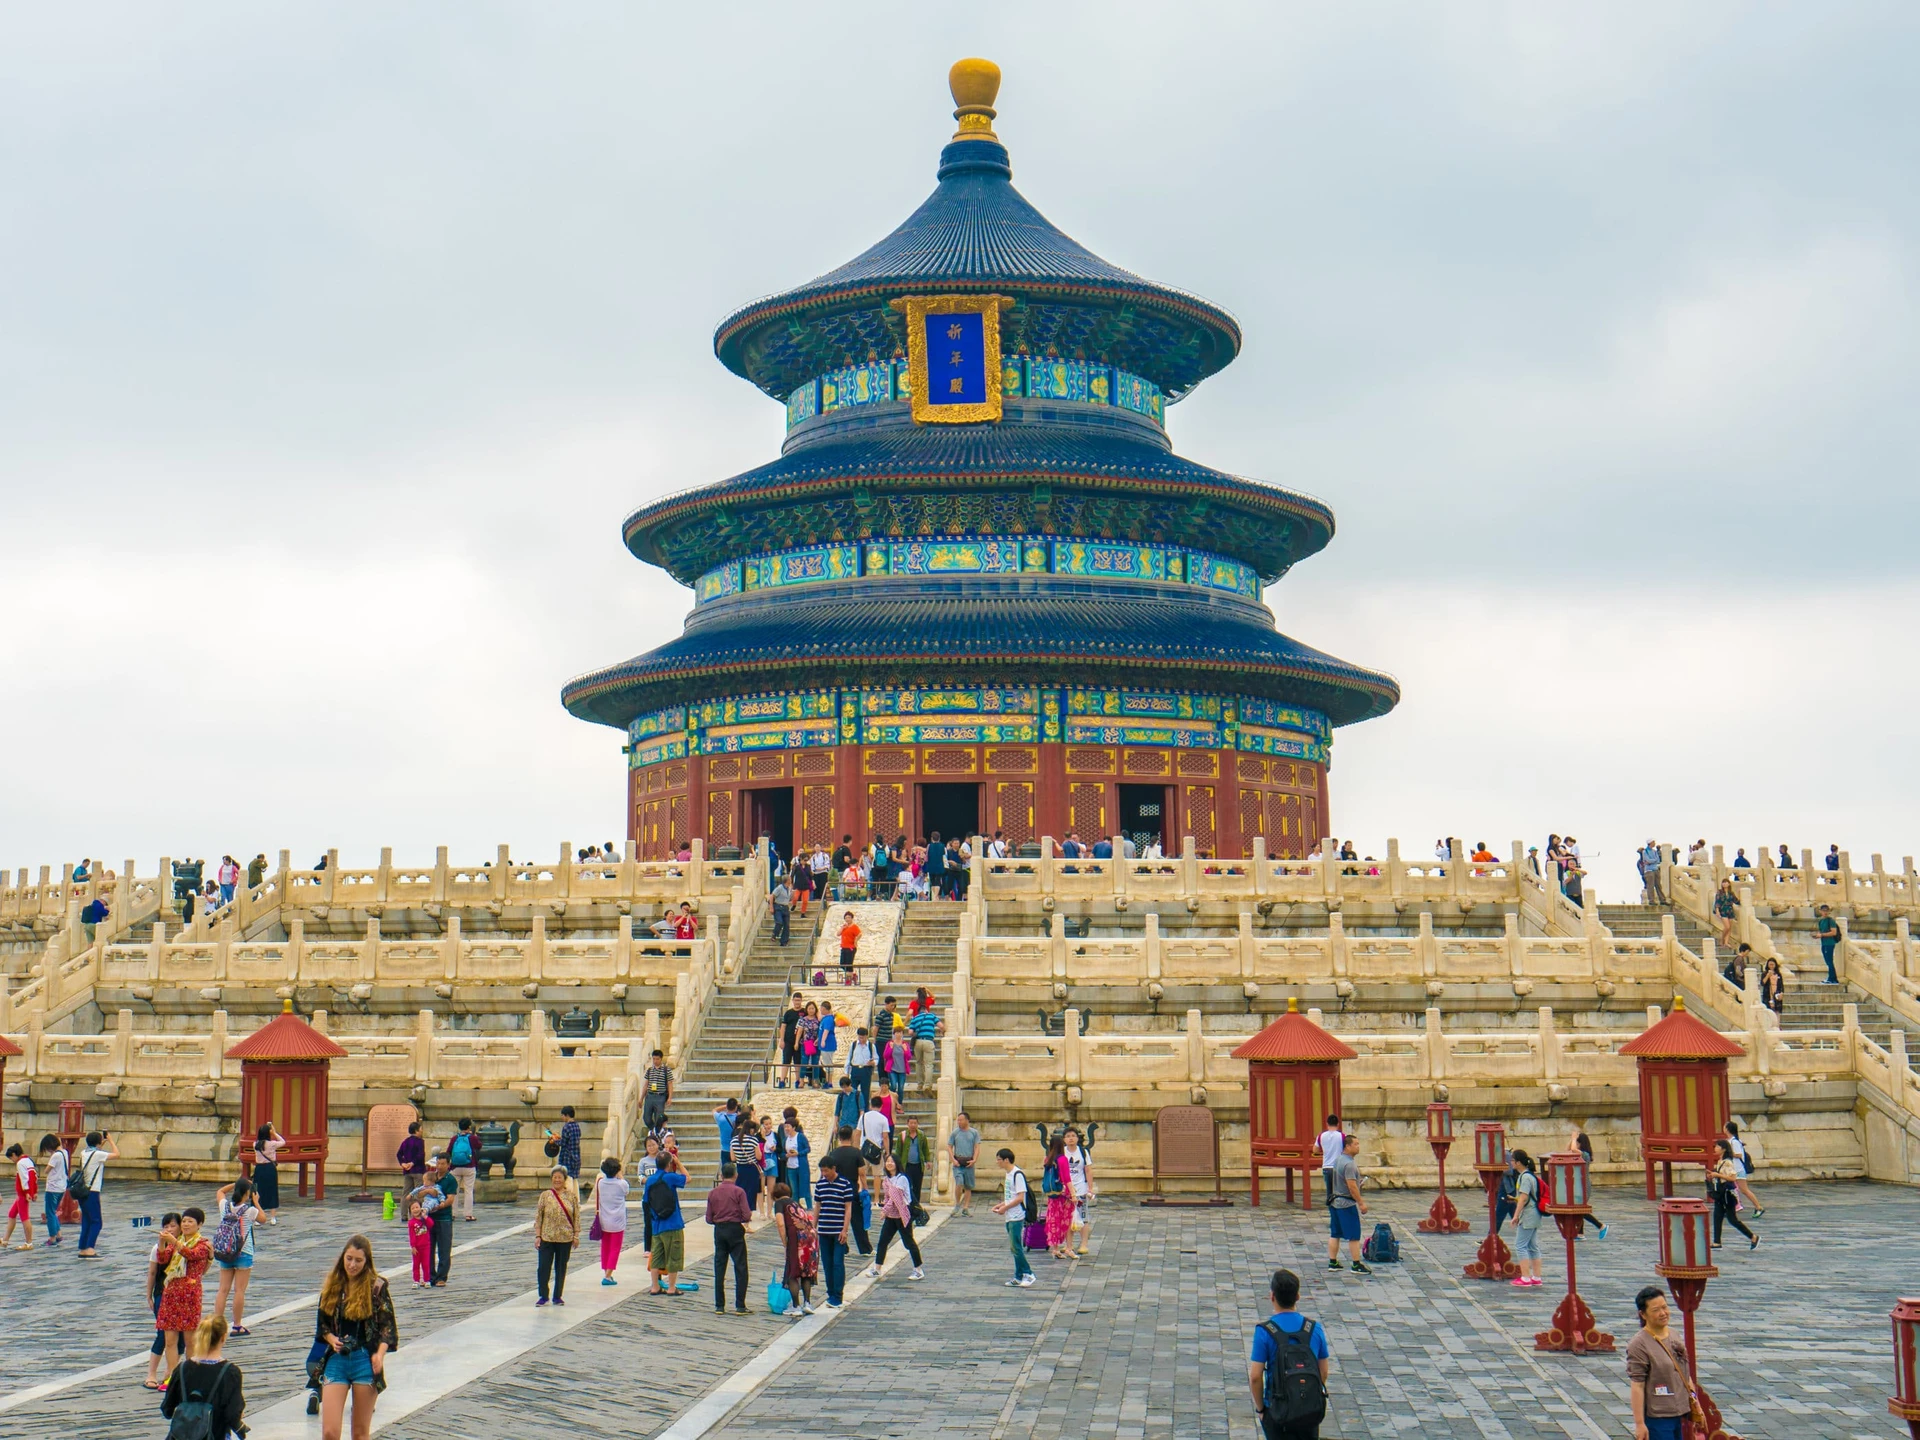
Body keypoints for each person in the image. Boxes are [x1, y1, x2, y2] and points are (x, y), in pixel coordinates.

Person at [314, 1235, 397, 1440]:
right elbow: (322, 1323)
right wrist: (330, 1337)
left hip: (364, 1358)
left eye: (358, 1260)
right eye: (349, 1258)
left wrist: (380, 1354)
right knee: (330, 1432)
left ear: (367, 1261)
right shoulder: (333, 1284)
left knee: (360, 1433)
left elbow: (388, 1327)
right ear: (343, 1257)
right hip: (337, 1358)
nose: (352, 1265)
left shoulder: (376, 1286)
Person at [1248, 1267, 1330, 1440]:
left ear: (1272, 1297)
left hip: (1277, 1410)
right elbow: (1323, 1371)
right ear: (1298, 1297)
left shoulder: (1265, 1331)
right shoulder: (1314, 1329)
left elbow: (1255, 1376)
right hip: (1309, 1410)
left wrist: (1261, 1409)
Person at [160, 1315, 247, 1440]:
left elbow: (167, 1410)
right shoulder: (230, 1372)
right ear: (223, 1337)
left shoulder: (182, 1369)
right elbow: (232, 1415)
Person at [1627, 1285, 1695, 1440]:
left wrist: (1694, 1401)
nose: (1663, 1313)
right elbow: (1637, 1385)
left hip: (1680, 1412)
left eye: (1664, 1307)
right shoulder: (1639, 1344)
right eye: (1656, 1310)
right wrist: (1639, 1424)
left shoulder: (1674, 1334)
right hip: (1658, 1416)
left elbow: (1685, 1372)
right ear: (1643, 1314)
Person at [156, 1206, 213, 1379]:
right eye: (185, 1221)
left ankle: (191, 1376)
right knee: (170, 1340)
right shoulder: (177, 1241)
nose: (186, 1224)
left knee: (190, 1341)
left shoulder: (203, 1244)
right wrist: (162, 1242)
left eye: (190, 1221)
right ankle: (172, 1376)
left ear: (200, 1224)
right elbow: (163, 1259)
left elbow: (191, 1254)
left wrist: (173, 1241)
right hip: (171, 1292)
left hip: (189, 1295)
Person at [864, 1150, 925, 1280]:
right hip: (892, 1216)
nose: (889, 1164)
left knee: (908, 1243)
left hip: (902, 1215)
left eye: (892, 1161)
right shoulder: (886, 1180)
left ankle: (918, 1269)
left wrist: (884, 1210)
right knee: (882, 1242)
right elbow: (887, 1197)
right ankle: (877, 1268)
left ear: (897, 1164)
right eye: (888, 1161)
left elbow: (896, 1198)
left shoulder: (902, 1178)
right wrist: (885, 1208)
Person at [211, 1177, 260, 1333]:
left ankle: (217, 1324)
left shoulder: (225, 1207)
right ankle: (237, 1325)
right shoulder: (250, 1211)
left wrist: (235, 1184)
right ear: (248, 1193)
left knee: (222, 1290)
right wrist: (256, 1201)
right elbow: (263, 1219)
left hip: (226, 1251)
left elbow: (220, 1192)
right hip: (244, 1252)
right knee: (239, 1290)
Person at [142, 1213, 184, 1390]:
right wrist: (149, 1295)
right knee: (163, 1334)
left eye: (172, 1226)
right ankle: (151, 1374)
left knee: (181, 1337)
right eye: (166, 1226)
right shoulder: (158, 1247)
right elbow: (152, 1273)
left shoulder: (185, 1246)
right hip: (162, 1294)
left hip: (183, 1296)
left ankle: (170, 1372)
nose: (168, 1229)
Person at [704, 1160, 752, 1313]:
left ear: (721, 1175)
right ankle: (740, 1304)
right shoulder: (739, 1192)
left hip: (719, 1230)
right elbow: (746, 1215)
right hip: (735, 1229)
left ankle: (719, 1305)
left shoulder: (713, 1193)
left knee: (719, 1266)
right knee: (741, 1267)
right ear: (736, 1175)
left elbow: (708, 1218)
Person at [404, 1155, 457, 1286]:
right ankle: (430, 1276)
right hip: (428, 1219)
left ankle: (441, 1277)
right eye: (438, 1163)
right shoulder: (430, 1176)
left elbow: (450, 1199)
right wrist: (429, 1191)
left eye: (443, 1164)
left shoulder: (450, 1180)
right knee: (429, 1248)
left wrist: (440, 1205)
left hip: (444, 1217)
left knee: (444, 1248)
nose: (439, 1166)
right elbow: (420, 1193)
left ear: (448, 1165)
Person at [534, 1165, 580, 1306]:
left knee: (561, 1267)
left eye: (560, 1177)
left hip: (565, 1237)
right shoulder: (545, 1196)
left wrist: (576, 1235)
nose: (557, 1180)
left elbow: (576, 1216)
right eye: (554, 1177)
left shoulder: (571, 1197)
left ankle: (557, 1295)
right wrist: (538, 1236)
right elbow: (539, 1216)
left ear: (565, 1180)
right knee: (543, 1267)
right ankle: (543, 1295)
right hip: (547, 1236)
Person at [1325, 1133, 1370, 1275]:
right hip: (1346, 1203)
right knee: (1354, 1235)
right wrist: (1361, 1203)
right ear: (1348, 1146)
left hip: (1334, 1201)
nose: (1358, 1147)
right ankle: (1356, 1264)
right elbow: (1351, 1186)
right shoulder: (1349, 1164)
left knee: (1335, 1233)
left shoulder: (1338, 1160)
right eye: (1356, 1144)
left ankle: (1333, 1262)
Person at [825, 1125, 873, 1256]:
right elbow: (862, 1173)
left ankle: (843, 1246)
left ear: (839, 1137)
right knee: (857, 1219)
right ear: (851, 1137)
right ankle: (865, 1248)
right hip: (851, 1188)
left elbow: (829, 1173)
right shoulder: (856, 1152)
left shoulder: (833, 1153)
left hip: (837, 1189)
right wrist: (865, 1188)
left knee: (839, 1219)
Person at [645, 1149, 688, 1295]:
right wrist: (679, 1163)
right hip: (673, 1222)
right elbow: (687, 1178)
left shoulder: (650, 1180)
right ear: (669, 1164)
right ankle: (671, 1287)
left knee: (656, 1256)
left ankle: (655, 1286)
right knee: (674, 1256)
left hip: (657, 1224)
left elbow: (646, 1201)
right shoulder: (670, 1177)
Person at [991, 1148, 1036, 1286]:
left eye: (999, 1159)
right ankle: (1018, 1276)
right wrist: (1001, 1205)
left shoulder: (1017, 1174)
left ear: (1006, 1160)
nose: (997, 1162)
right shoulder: (1008, 1174)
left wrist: (1005, 1208)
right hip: (1010, 1215)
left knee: (1016, 1247)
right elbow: (1011, 1196)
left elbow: (1020, 1198)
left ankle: (1028, 1273)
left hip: (1017, 1215)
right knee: (1014, 1247)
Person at [814, 1158, 855, 1308]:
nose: (824, 1174)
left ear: (833, 1168)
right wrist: (813, 1227)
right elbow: (817, 1206)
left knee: (838, 1263)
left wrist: (845, 1230)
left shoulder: (845, 1184)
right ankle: (831, 1293)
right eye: (822, 1171)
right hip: (824, 1230)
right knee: (827, 1263)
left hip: (838, 1231)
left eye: (826, 1170)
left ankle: (838, 1295)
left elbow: (848, 1208)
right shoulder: (820, 1185)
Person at [774, 1180, 818, 1316]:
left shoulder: (779, 1204)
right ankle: (807, 1303)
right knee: (806, 1270)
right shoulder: (796, 1203)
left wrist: (784, 1242)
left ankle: (796, 1305)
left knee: (793, 1271)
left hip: (796, 1238)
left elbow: (781, 1223)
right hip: (811, 1238)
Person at [71, 1127, 115, 1256]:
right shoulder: (98, 1155)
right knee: (96, 1221)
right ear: (98, 1142)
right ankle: (90, 1248)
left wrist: (102, 1143)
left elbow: (96, 1151)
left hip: (83, 1191)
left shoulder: (84, 1153)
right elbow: (117, 1154)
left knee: (86, 1219)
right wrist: (111, 1141)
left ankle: (83, 1247)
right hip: (93, 1191)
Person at [1710, 1140, 1759, 1249]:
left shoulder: (1727, 1162)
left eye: (1717, 1146)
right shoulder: (1720, 1161)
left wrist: (1717, 1175)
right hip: (1721, 1193)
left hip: (1727, 1194)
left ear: (1723, 1148)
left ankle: (1753, 1236)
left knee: (1732, 1220)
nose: (1715, 1148)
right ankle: (1717, 1241)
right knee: (1717, 1216)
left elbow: (1733, 1178)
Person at [1504, 1149, 1542, 1286]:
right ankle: (1536, 1277)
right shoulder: (1530, 1176)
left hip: (1528, 1215)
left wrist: (1515, 1215)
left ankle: (1525, 1277)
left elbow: (1524, 1198)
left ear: (1518, 1162)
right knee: (1532, 1246)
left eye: (1513, 1160)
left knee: (1520, 1246)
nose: (1511, 1163)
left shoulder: (1525, 1177)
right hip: (1534, 1214)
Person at [590, 1156, 629, 1286]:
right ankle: (608, 1275)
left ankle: (606, 1270)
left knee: (605, 1247)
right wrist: (620, 1175)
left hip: (604, 1220)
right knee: (615, 1248)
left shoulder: (600, 1183)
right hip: (618, 1221)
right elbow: (626, 1191)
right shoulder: (621, 1184)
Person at [1566, 1128, 1609, 1239]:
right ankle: (1580, 1233)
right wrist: (1572, 1139)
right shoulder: (1579, 1154)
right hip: (1578, 1185)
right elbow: (1568, 1149)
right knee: (1578, 1209)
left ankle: (1601, 1226)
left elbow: (1573, 1149)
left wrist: (1574, 1138)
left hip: (1583, 1186)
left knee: (1580, 1209)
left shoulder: (1585, 1155)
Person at [1041, 1133, 1074, 1259]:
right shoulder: (1062, 1159)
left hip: (1052, 1195)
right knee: (1067, 1221)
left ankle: (1055, 1248)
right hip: (1063, 1195)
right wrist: (1074, 1195)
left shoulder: (1047, 1159)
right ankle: (1069, 1247)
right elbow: (1067, 1179)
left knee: (1054, 1220)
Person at [1062, 1126, 1094, 1257]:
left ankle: (1084, 1244)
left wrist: (1090, 1188)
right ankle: (1069, 1244)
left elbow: (1088, 1170)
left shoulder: (1083, 1152)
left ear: (1077, 1138)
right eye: (1068, 1136)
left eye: (1073, 1136)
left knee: (1083, 1217)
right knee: (1067, 1218)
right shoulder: (1062, 1152)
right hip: (1065, 1191)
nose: (1071, 1138)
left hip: (1080, 1189)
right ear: (1064, 1139)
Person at [1722, 1121, 1764, 1215]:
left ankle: (1758, 1207)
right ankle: (1734, 1207)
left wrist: (1728, 1153)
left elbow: (1739, 1154)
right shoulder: (1730, 1140)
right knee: (1729, 1188)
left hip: (1738, 1169)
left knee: (1744, 1190)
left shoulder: (1734, 1141)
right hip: (1732, 1169)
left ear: (1727, 1129)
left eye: (1724, 1126)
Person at [858, 1091, 892, 1194]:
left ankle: (862, 1193)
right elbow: (885, 1137)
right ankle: (876, 1199)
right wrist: (887, 1151)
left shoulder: (863, 1117)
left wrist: (856, 1147)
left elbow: (858, 1133)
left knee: (861, 1173)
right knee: (877, 1175)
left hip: (864, 1148)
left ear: (870, 1105)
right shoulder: (883, 1119)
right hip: (877, 1150)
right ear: (881, 1106)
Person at [3, 1142, 35, 1249]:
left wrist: (26, 1192)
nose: (12, 1160)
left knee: (24, 1217)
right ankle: (5, 1239)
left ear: (14, 1155)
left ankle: (29, 1243)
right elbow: (33, 1177)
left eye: (11, 1158)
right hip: (25, 1193)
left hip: (22, 1194)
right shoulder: (28, 1160)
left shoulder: (20, 1163)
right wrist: (33, 1191)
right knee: (12, 1213)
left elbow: (24, 1179)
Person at [894, 1115, 930, 1209]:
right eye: (911, 1123)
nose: (913, 1125)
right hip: (907, 1166)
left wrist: (928, 1161)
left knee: (917, 1187)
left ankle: (916, 1206)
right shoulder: (902, 1136)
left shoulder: (921, 1135)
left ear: (917, 1124)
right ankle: (908, 1206)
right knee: (908, 1187)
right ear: (907, 1124)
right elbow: (898, 1151)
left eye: (915, 1123)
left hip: (918, 1166)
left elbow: (925, 1149)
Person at [948, 1112, 981, 1216]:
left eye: (961, 1120)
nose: (959, 1122)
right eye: (958, 1120)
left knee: (968, 1186)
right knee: (959, 1182)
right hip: (958, 1162)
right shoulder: (955, 1133)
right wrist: (953, 1159)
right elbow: (949, 1146)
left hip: (969, 1162)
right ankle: (957, 1203)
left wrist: (974, 1159)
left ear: (967, 1120)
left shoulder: (974, 1133)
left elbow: (977, 1147)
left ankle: (965, 1207)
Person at [37, 1133, 66, 1246]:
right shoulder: (65, 1152)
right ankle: (58, 1234)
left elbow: (46, 1170)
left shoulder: (55, 1156)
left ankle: (52, 1237)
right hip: (61, 1187)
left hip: (53, 1187)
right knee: (53, 1212)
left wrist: (51, 1157)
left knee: (50, 1213)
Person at [448, 1118, 479, 1220]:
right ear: (469, 1127)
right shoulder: (472, 1138)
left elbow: (448, 1151)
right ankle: (468, 1214)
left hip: (455, 1167)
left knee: (454, 1191)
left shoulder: (454, 1138)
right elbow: (479, 1146)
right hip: (469, 1166)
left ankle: (453, 1213)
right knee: (468, 1190)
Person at [908, 995, 941, 1093]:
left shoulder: (915, 1018)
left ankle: (919, 1084)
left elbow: (910, 1032)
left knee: (918, 1063)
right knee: (928, 1064)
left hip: (918, 1042)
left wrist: (917, 1033)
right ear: (926, 1009)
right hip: (928, 1041)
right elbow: (941, 1026)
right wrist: (943, 1031)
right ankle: (927, 1085)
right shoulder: (931, 1016)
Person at [776, 992, 805, 1088]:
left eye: (799, 1000)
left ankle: (797, 1080)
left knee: (798, 1061)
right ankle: (782, 1080)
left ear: (801, 1000)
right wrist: (781, 1040)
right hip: (788, 1041)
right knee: (786, 1060)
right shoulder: (788, 1013)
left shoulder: (804, 1012)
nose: (797, 1002)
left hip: (799, 1041)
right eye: (795, 1000)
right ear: (792, 1001)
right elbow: (783, 1027)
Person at [1316, 1115, 1344, 1210]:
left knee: (1329, 1193)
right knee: (1339, 1192)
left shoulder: (1321, 1136)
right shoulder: (1342, 1136)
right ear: (1338, 1124)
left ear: (1327, 1124)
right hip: (1338, 1167)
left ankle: (1332, 1212)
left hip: (1327, 1166)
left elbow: (1315, 1149)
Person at [641, 1047, 673, 1131]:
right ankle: (654, 1130)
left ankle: (657, 1134)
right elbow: (646, 1085)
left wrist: (670, 1097)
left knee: (658, 1118)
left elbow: (670, 1084)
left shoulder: (667, 1070)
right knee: (646, 1118)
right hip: (650, 1096)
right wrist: (641, 1098)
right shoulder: (650, 1070)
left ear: (661, 1059)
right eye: (654, 1059)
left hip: (660, 1097)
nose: (655, 1061)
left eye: (657, 1059)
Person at [782, 1117, 812, 1205]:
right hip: (790, 1166)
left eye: (788, 1126)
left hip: (801, 1166)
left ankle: (809, 1206)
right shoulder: (785, 1140)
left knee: (805, 1187)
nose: (786, 1129)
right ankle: (796, 1207)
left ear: (794, 1127)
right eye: (785, 1126)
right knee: (793, 1190)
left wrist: (798, 1153)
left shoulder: (800, 1136)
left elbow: (808, 1149)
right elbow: (783, 1153)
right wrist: (786, 1155)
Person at [848, 1027, 879, 1110]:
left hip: (866, 1070)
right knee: (853, 1090)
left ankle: (864, 1110)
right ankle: (853, 1109)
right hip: (855, 1069)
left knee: (865, 1092)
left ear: (866, 1036)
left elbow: (876, 1058)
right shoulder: (854, 1045)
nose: (861, 1039)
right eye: (860, 1037)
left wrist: (873, 1063)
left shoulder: (871, 1046)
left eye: (863, 1037)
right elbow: (849, 1058)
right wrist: (846, 1071)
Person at [395, 1120, 426, 1194]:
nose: (422, 1131)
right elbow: (420, 1155)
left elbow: (399, 1154)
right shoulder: (420, 1141)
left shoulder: (405, 1141)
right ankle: (417, 1205)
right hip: (418, 1170)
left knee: (406, 1191)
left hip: (407, 1171)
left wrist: (403, 1163)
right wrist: (412, 1163)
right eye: (421, 1129)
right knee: (418, 1191)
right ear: (416, 1131)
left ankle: (404, 1206)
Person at [406, 1201, 432, 1287]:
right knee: (416, 1264)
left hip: (426, 1246)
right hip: (417, 1247)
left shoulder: (424, 1219)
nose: (415, 1210)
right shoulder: (411, 1223)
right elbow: (412, 1235)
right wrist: (413, 1246)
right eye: (412, 1208)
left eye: (417, 1207)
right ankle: (416, 1280)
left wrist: (425, 1216)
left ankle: (427, 1280)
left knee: (426, 1264)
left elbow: (431, 1224)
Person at [714, 1096, 741, 1171]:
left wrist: (725, 1106)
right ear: (736, 1107)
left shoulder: (720, 1118)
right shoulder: (739, 1118)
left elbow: (714, 1110)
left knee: (726, 1171)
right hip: (736, 1147)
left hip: (725, 1149)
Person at [883, 1028, 912, 1098]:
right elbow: (885, 1056)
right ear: (894, 1034)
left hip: (902, 1069)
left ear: (902, 1034)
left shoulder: (905, 1044)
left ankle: (899, 1104)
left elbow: (909, 1057)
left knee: (901, 1088)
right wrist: (891, 1048)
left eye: (900, 1033)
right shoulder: (890, 1043)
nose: (898, 1034)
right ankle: (892, 1102)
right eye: (897, 1033)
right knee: (893, 1086)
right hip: (893, 1069)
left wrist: (905, 1050)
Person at [1816, 904, 1841, 984]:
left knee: (1829, 961)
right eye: (1823, 911)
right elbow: (1821, 931)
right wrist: (1817, 935)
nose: (1825, 912)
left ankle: (1832, 978)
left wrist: (1822, 935)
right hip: (1824, 943)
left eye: (1826, 911)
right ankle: (1832, 978)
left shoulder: (1831, 921)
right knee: (1827, 961)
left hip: (1830, 943)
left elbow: (1834, 932)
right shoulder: (1820, 921)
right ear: (1820, 911)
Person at [1712, 880, 1739, 949]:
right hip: (1723, 910)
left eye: (1726, 882)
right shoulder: (1720, 892)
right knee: (1727, 927)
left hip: (1730, 910)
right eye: (1723, 882)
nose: (1724, 884)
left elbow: (1736, 901)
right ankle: (1722, 939)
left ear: (1729, 884)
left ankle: (1726, 942)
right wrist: (1717, 911)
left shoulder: (1731, 893)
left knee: (1730, 928)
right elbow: (1717, 902)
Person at [838, 910, 861, 984]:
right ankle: (853, 975)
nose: (847, 919)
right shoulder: (844, 926)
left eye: (849, 917)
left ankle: (849, 979)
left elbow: (859, 934)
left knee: (849, 964)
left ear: (852, 918)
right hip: (843, 947)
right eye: (846, 918)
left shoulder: (854, 927)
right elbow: (838, 934)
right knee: (842, 964)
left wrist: (856, 941)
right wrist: (842, 928)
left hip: (850, 947)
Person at [771, 873, 791, 947]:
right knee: (779, 922)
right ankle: (774, 934)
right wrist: (771, 907)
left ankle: (784, 941)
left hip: (785, 907)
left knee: (786, 925)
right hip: (778, 907)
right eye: (790, 879)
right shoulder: (780, 888)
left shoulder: (789, 889)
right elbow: (772, 896)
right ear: (787, 880)